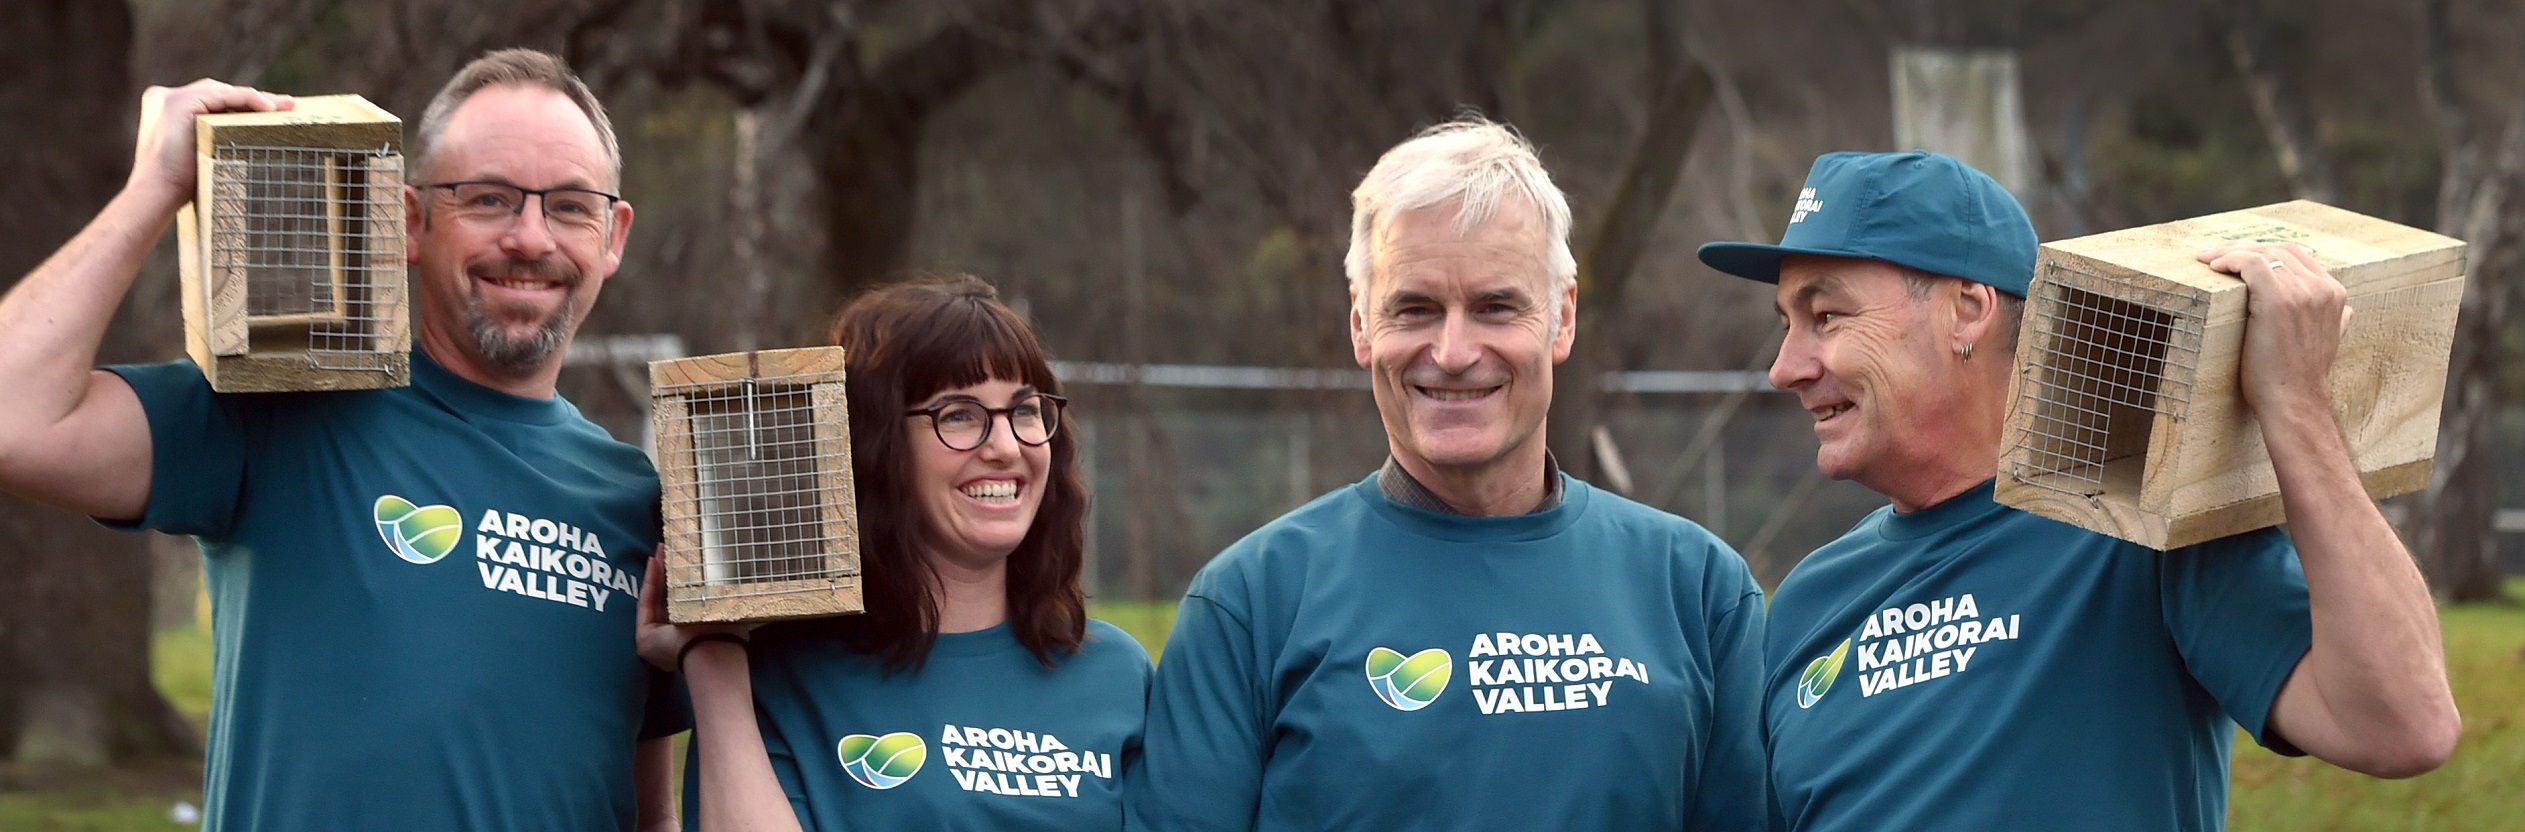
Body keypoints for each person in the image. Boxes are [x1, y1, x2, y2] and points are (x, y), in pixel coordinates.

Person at [0, 50, 682, 829]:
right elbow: (13, 423)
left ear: (614, 232)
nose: (530, 238)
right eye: (489, 199)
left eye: (568, 206)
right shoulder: (285, 407)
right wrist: (155, 185)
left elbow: (646, 812)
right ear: (411, 221)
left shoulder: (639, 503)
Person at [1696, 150, 2463, 830]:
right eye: (1788, 324)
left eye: (1825, 316)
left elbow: (2403, 726)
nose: (1786, 367)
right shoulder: (1806, 600)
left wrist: (2293, 403)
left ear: (1967, 311)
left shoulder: (2138, 527)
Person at [1126, 118, 1769, 830]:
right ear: (1360, 327)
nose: (1454, 350)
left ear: (1562, 319)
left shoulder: (1697, 590)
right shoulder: (1251, 605)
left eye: (1495, 307)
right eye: (1414, 309)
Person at [637, 275, 1150, 831]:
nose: (1005, 447)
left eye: (1025, 410)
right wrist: (712, 658)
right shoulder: (780, 678)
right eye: (958, 414)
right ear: (877, 447)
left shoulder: (1118, 676)